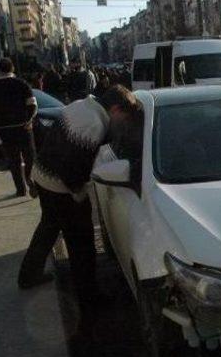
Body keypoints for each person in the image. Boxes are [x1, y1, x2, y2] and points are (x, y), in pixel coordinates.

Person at [17, 85, 141, 334]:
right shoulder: (93, 126)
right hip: (60, 185)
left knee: (48, 227)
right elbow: (73, 170)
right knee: (81, 243)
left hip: (43, 175)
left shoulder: (79, 105)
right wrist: (80, 195)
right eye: (124, 117)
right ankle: (88, 300)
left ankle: (28, 276)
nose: (123, 123)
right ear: (115, 109)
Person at [0, 58, 37, 197]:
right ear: (12, 68)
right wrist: (29, 119)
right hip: (23, 127)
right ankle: (30, 179)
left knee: (13, 161)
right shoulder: (22, 84)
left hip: (4, 130)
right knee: (29, 156)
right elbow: (32, 105)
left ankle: (20, 189)